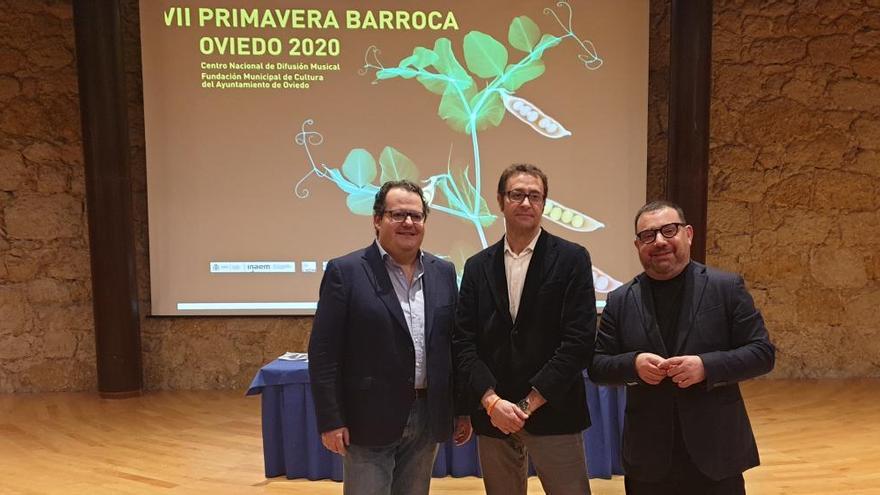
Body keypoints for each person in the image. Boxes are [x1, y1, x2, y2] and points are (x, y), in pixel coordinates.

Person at [590, 200, 775, 495]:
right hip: (649, 458)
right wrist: (633, 364)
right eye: (648, 235)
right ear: (638, 245)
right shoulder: (620, 300)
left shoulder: (726, 287)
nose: (660, 241)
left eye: (669, 230)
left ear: (688, 234)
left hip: (716, 453)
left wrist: (706, 367)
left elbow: (762, 354)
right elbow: (598, 366)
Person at [308, 180, 472, 495]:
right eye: (397, 215)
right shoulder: (346, 272)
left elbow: (452, 346)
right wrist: (330, 420)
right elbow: (324, 354)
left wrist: (461, 409)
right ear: (377, 220)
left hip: (428, 416)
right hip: (367, 418)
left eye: (416, 215)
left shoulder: (444, 272)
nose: (408, 223)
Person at [454, 164, 597, 495]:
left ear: (544, 203)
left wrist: (526, 405)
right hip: (494, 415)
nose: (526, 202)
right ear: (500, 201)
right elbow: (464, 341)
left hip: (554, 409)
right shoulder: (477, 266)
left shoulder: (573, 258)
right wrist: (491, 402)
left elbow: (578, 341)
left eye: (535, 195)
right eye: (517, 194)